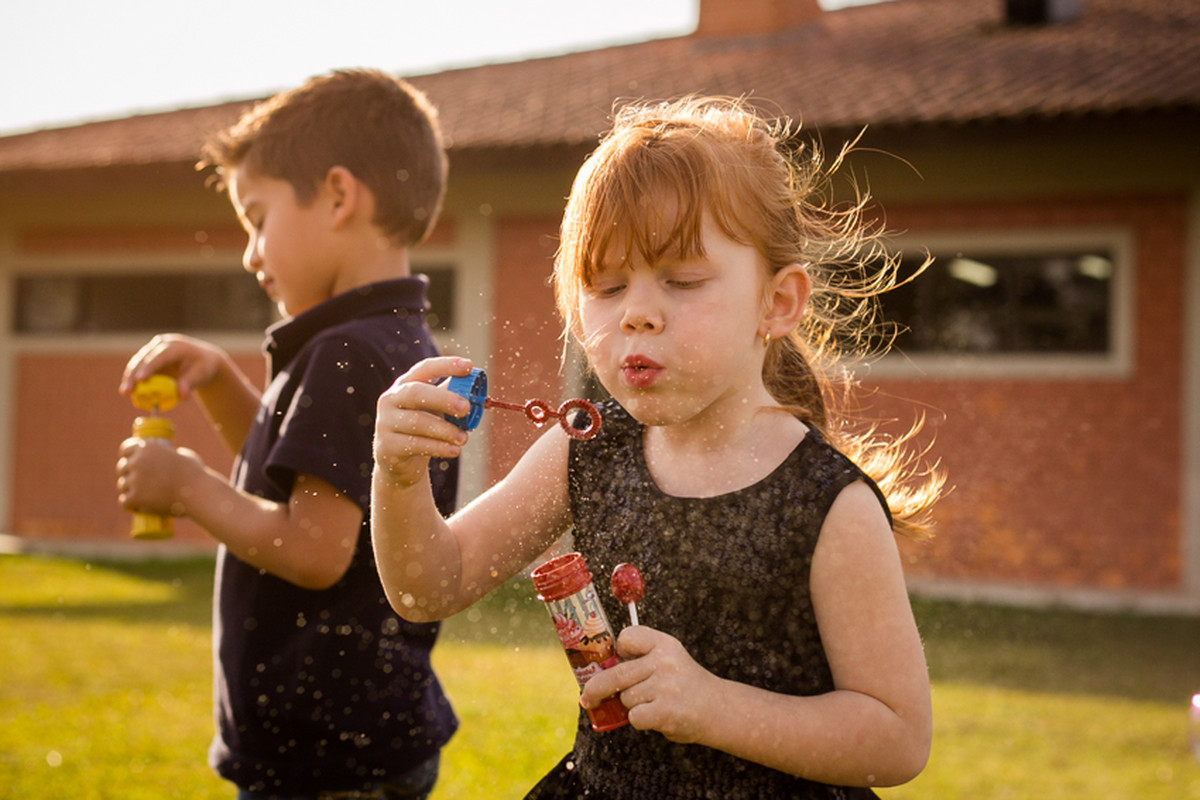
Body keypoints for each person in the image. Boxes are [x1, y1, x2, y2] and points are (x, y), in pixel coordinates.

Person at [371, 96, 944, 799]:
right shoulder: (587, 450)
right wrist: (396, 475)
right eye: (607, 287)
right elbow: (429, 586)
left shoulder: (826, 504)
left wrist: (712, 708)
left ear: (778, 303)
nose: (638, 312)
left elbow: (897, 737)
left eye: (682, 280)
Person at [116, 69, 458, 800]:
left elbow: (313, 549)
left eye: (257, 218)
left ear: (337, 196)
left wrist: (185, 486)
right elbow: (304, 474)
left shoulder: (346, 354)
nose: (250, 252)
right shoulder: (389, 343)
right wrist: (219, 382)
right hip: (366, 740)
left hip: (321, 763)